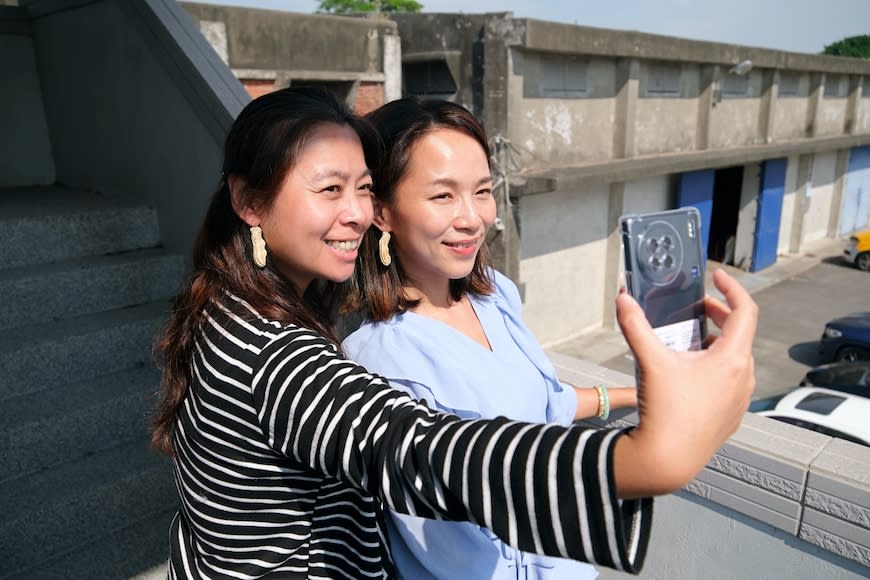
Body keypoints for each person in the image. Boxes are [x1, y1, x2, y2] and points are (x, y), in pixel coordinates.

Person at [150, 86, 758, 579]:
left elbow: (531, 401)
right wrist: (652, 458)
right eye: (329, 188)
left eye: (363, 187)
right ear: (249, 201)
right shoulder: (278, 351)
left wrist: (631, 398)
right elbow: (414, 448)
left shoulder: (234, 302)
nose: (357, 211)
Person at [341, 97, 638, 579]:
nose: (472, 218)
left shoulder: (494, 295)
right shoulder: (379, 360)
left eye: (481, 191)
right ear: (382, 212)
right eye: (443, 196)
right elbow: (462, 525)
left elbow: (542, 404)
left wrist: (630, 395)